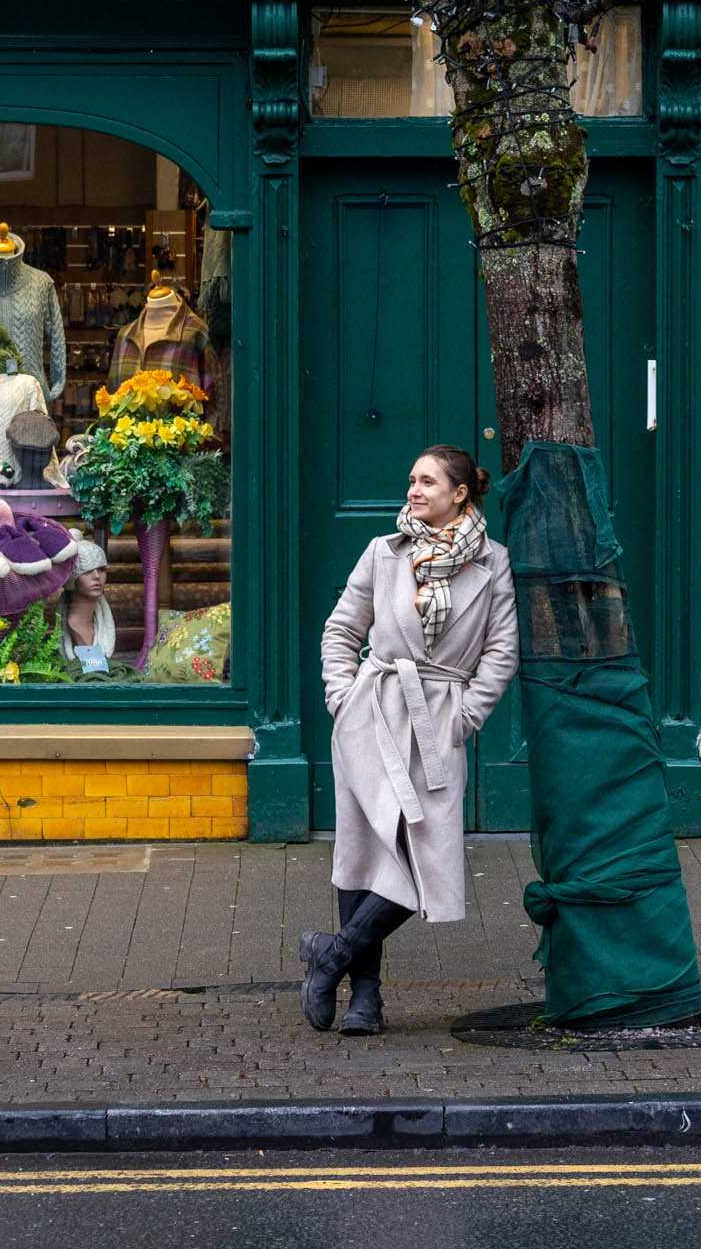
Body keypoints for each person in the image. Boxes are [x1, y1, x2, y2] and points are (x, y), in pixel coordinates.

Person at [302, 444, 519, 1036]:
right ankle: (363, 1001)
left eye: (427, 482)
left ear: (460, 494)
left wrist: (464, 718)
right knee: (364, 852)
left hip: (437, 721)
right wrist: (341, 698)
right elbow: (342, 629)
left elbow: (501, 652)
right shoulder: (384, 551)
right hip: (371, 712)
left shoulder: (492, 564)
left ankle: (332, 954)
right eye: (411, 480)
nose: (414, 490)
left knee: (429, 855)